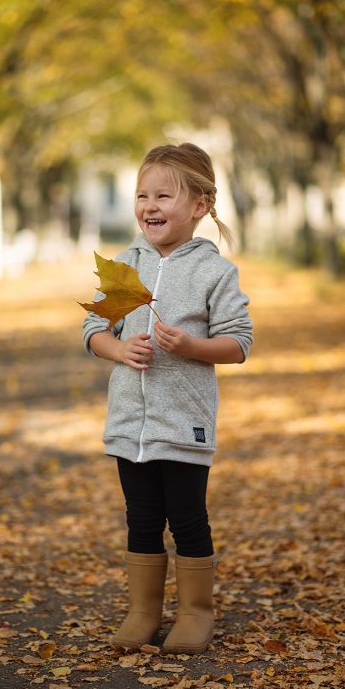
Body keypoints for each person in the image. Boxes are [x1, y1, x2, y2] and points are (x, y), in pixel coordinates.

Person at [82, 142, 253, 654]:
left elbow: (239, 342)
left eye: (163, 196)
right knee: (141, 516)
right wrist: (117, 348)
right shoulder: (123, 268)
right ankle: (143, 612)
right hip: (129, 423)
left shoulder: (214, 273)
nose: (148, 206)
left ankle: (197, 612)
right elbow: (94, 328)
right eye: (141, 195)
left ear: (200, 205)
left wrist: (193, 345)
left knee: (186, 517)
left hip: (184, 423)